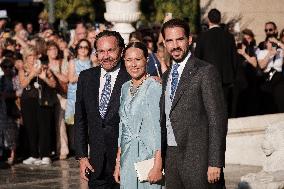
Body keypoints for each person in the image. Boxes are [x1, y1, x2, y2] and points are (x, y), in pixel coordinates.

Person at [160, 18, 228, 189]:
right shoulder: (166, 76)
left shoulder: (205, 71)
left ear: (189, 40)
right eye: (169, 40)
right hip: (171, 159)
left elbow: (217, 120)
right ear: (164, 43)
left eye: (179, 39)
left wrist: (215, 162)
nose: (175, 45)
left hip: (199, 159)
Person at [74, 30, 130, 189]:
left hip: (125, 161)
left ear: (121, 50)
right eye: (101, 51)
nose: (105, 56)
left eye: (110, 50)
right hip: (95, 163)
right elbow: (80, 119)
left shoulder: (131, 77)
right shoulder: (86, 77)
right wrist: (82, 156)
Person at [113, 42, 163, 188]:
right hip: (127, 157)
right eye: (129, 60)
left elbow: (160, 129)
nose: (133, 64)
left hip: (148, 158)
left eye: (138, 59)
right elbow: (122, 129)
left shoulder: (153, 87)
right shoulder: (124, 87)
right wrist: (118, 164)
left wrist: (157, 165)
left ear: (146, 60)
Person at [194, 8, 238, 118]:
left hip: (208, 78)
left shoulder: (202, 37)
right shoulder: (229, 37)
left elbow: (197, 59)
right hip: (226, 79)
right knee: (224, 107)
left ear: (209, 20)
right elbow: (234, 59)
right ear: (220, 19)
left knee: (210, 109)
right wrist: (233, 77)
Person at [19, 45, 57, 165]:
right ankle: (34, 154)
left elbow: (53, 84)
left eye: (34, 55)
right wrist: (32, 74)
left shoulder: (44, 67)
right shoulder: (22, 69)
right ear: (26, 57)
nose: (33, 58)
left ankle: (45, 155)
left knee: (44, 127)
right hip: (27, 101)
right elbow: (23, 84)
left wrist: (44, 78)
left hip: (42, 100)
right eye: (30, 55)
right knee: (31, 128)